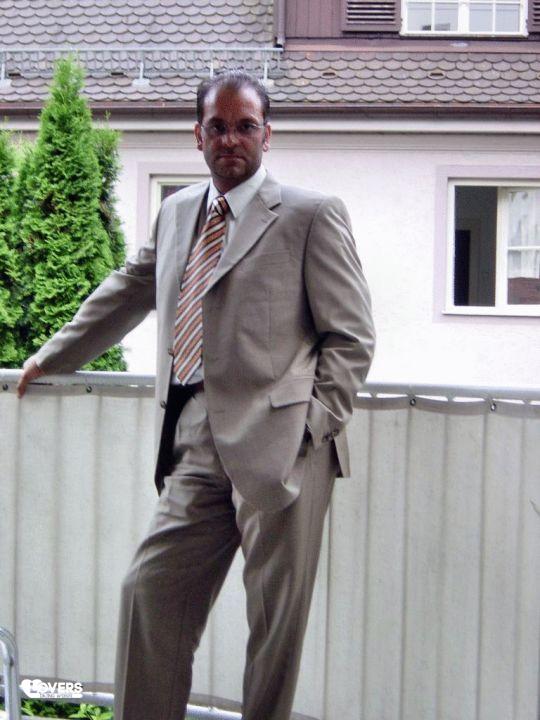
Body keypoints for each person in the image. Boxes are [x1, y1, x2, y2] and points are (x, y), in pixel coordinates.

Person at [17, 71, 375, 720]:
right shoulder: (179, 210)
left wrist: (311, 428)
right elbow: (129, 289)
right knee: (148, 592)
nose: (231, 139)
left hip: (285, 446)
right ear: (198, 135)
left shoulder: (311, 216)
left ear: (267, 134)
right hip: (195, 439)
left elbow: (351, 336)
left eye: (245, 126)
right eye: (218, 127)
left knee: (274, 628)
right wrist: (50, 356)